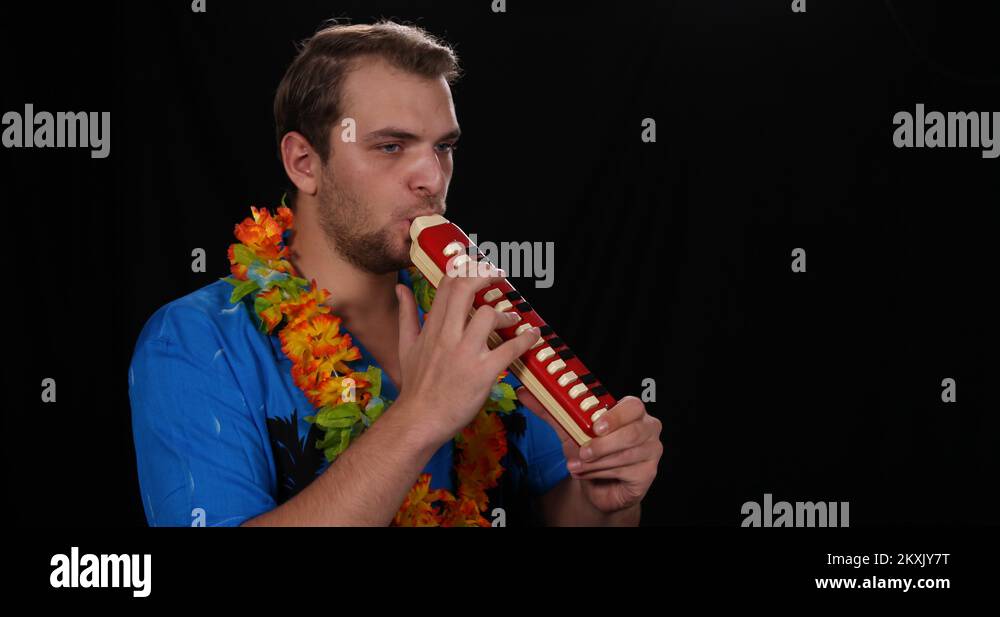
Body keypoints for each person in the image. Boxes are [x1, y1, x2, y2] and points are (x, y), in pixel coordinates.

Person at [129, 20, 662, 526]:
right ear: (304, 163)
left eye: (444, 148)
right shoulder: (192, 341)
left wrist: (606, 498)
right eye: (390, 146)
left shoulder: (476, 315)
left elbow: (570, 510)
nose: (432, 178)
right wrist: (420, 418)